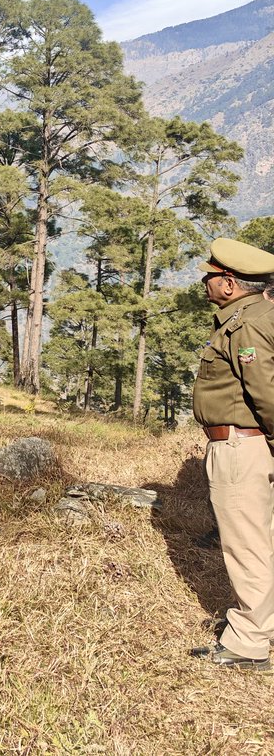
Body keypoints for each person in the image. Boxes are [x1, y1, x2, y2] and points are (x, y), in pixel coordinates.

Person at [188, 238, 274, 671]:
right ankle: (260, 624)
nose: (204, 281)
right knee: (260, 540)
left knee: (247, 546)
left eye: (210, 275)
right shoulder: (251, 316)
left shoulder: (247, 325)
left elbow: (266, 393)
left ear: (228, 283)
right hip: (248, 443)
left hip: (241, 445)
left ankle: (249, 644)